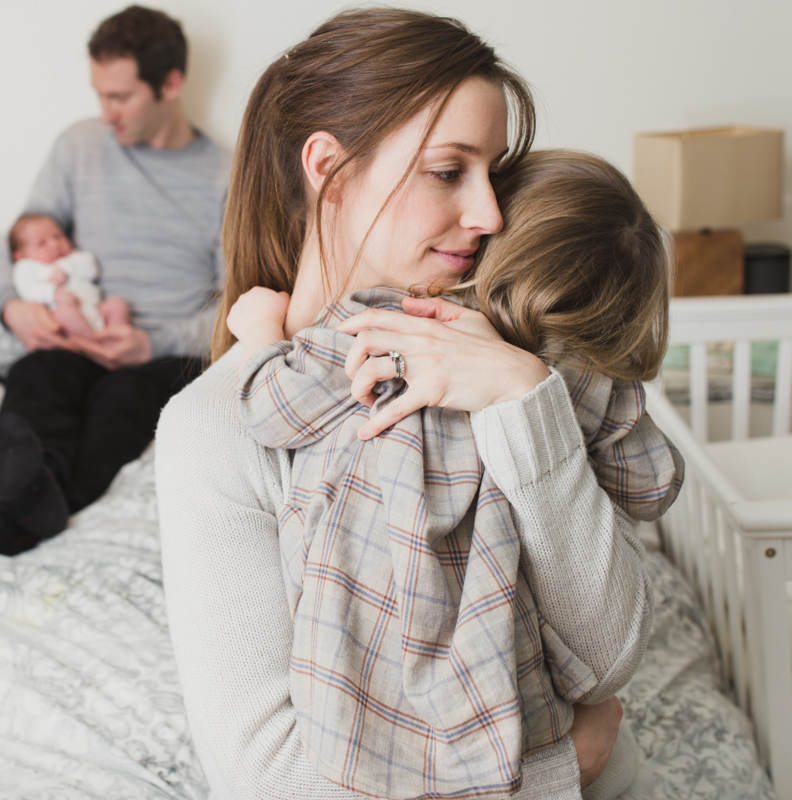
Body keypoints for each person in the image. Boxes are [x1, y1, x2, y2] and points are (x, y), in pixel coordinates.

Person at [156, 9, 667, 799]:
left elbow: (608, 658)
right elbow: (268, 778)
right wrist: (570, 764)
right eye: (446, 170)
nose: (490, 215)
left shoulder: (511, 350)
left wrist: (520, 395)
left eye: (492, 173)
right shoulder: (217, 427)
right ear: (328, 167)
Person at [226, 150, 682, 800]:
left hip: (358, 730)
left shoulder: (384, 325)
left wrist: (259, 340)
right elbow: (651, 486)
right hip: (536, 724)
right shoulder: (591, 380)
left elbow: (275, 411)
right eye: (448, 173)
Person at [0, 4, 229, 556]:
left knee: (119, 404)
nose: (105, 112)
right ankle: (19, 494)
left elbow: (235, 301)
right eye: (98, 94)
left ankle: (4, 518)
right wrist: (11, 306)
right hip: (76, 333)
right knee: (38, 376)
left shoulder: (227, 177)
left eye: (120, 97)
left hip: (157, 353)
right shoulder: (79, 146)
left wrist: (154, 342)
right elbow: (20, 235)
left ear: (171, 83)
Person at [8, 213, 131, 341]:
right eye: (41, 243)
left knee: (118, 305)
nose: (54, 244)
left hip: (96, 309)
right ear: (20, 256)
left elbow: (92, 269)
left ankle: (116, 340)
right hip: (63, 314)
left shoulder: (74, 257)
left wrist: (66, 268)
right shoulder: (26, 268)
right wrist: (53, 293)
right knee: (65, 314)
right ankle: (94, 344)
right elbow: (28, 290)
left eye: (58, 236)